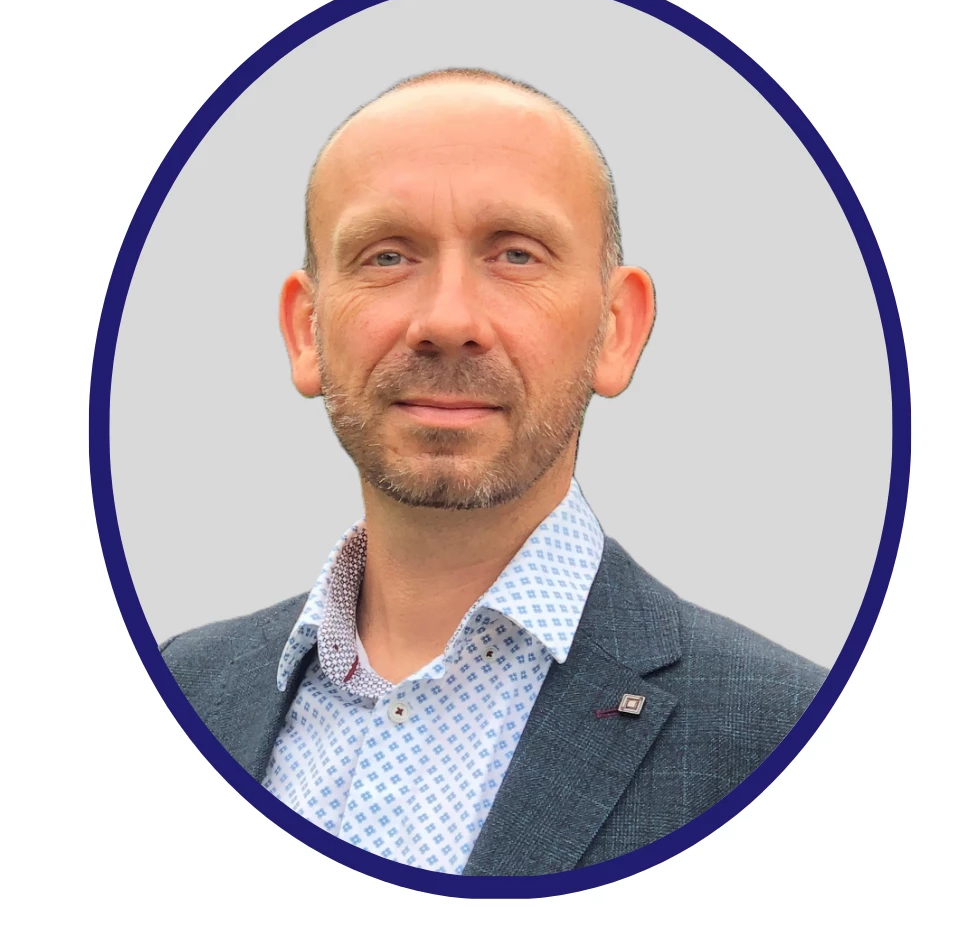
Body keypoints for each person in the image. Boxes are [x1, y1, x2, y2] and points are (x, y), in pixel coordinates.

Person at [161, 68, 828, 877]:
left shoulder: (791, 740)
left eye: (516, 254)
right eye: (387, 255)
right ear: (306, 331)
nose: (447, 320)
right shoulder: (176, 694)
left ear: (617, 330)